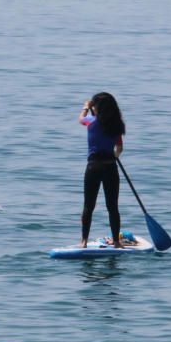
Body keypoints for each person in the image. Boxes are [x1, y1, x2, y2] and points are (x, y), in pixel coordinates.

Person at [78, 92, 126, 248]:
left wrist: (86, 107)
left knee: (88, 206)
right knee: (112, 207)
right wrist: (114, 155)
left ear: (96, 108)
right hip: (110, 167)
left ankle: (84, 241)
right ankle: (117, 242)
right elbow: (119, 148)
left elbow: (80, 120)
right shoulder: (117, 125)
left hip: (93, 167)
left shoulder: (90, 121)